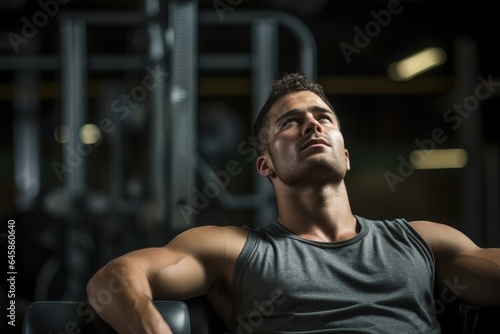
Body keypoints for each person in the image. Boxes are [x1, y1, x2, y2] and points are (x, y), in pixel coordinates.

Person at [86, 72, 500, 333]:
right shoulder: (234, 250)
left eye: (324, 117)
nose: (312, 124)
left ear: (346, 154)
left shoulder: (421, 241)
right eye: (290, 122)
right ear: (265, 165)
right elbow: (114, 279)